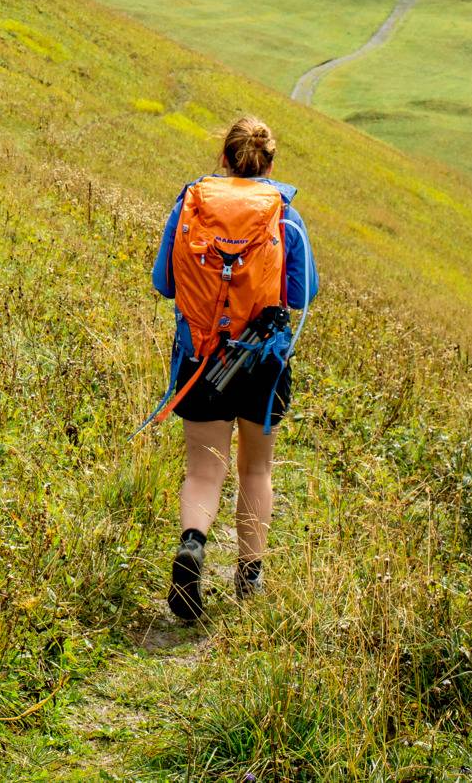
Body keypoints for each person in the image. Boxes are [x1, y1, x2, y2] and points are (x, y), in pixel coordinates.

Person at [150, 114, 318, 623]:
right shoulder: (284, 216)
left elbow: (164, 282)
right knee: (256, 468)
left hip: (201, 357)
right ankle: (249, 577)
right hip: (262, 362)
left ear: (224, 157)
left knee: (204, 471)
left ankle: (193, 544)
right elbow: (303, 293)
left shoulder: (191, 205)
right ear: (269, 163)